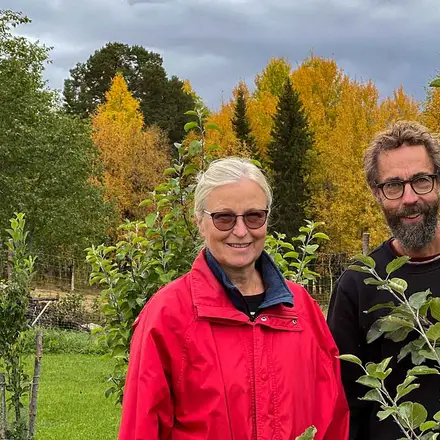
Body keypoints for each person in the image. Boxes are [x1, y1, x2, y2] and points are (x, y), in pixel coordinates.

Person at [118, 157, 348, 440]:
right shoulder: (167, 315)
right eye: (224, 218)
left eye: (253, 216)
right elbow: (141, 428)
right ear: (201, 222)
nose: (241, 231)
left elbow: (333, 418)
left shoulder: (301, 311)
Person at [327, 120, 440, 440]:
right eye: (393, 185)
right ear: (377, 194)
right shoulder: (358, 285)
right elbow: (345, 401)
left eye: (421, 180)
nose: (409, 198)